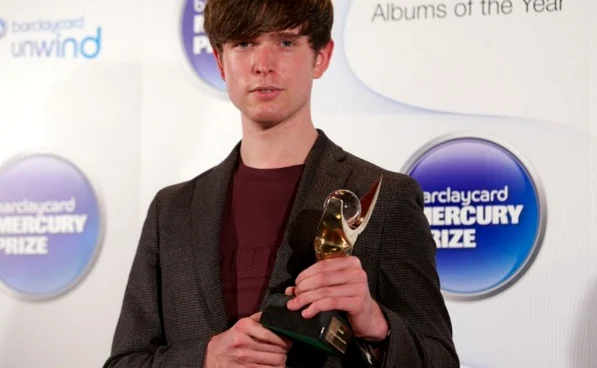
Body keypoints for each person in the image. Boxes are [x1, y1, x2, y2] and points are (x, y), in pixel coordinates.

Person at [103, 0, 459, 367]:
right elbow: (125, 361)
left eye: (286, 42)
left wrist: (375, 324)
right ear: (220, 61)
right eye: (244, 43)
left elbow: (440, 360)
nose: (263, 64)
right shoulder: (172, 210)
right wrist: (205, 358)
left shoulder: (384, 196)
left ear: (321, 56)